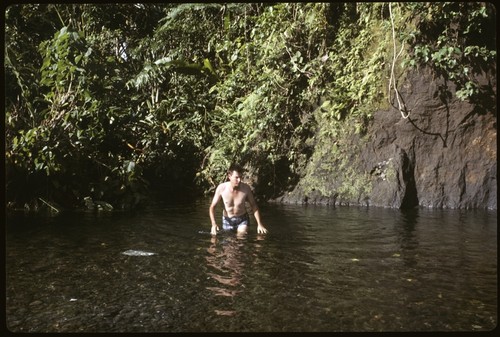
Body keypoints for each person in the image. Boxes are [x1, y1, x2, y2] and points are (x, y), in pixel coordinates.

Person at [209, 164, 268, 236]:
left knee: (240, 238)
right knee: (229, 244)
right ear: (229, 176)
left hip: (242, 219)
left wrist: (259, 224)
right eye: (236, 177)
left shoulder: (246, 188)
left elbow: (254, 205)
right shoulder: (222, 188)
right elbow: (212, 207)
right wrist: (213, 223)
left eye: (240, 177)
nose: (239, 180)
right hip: (227, 220)